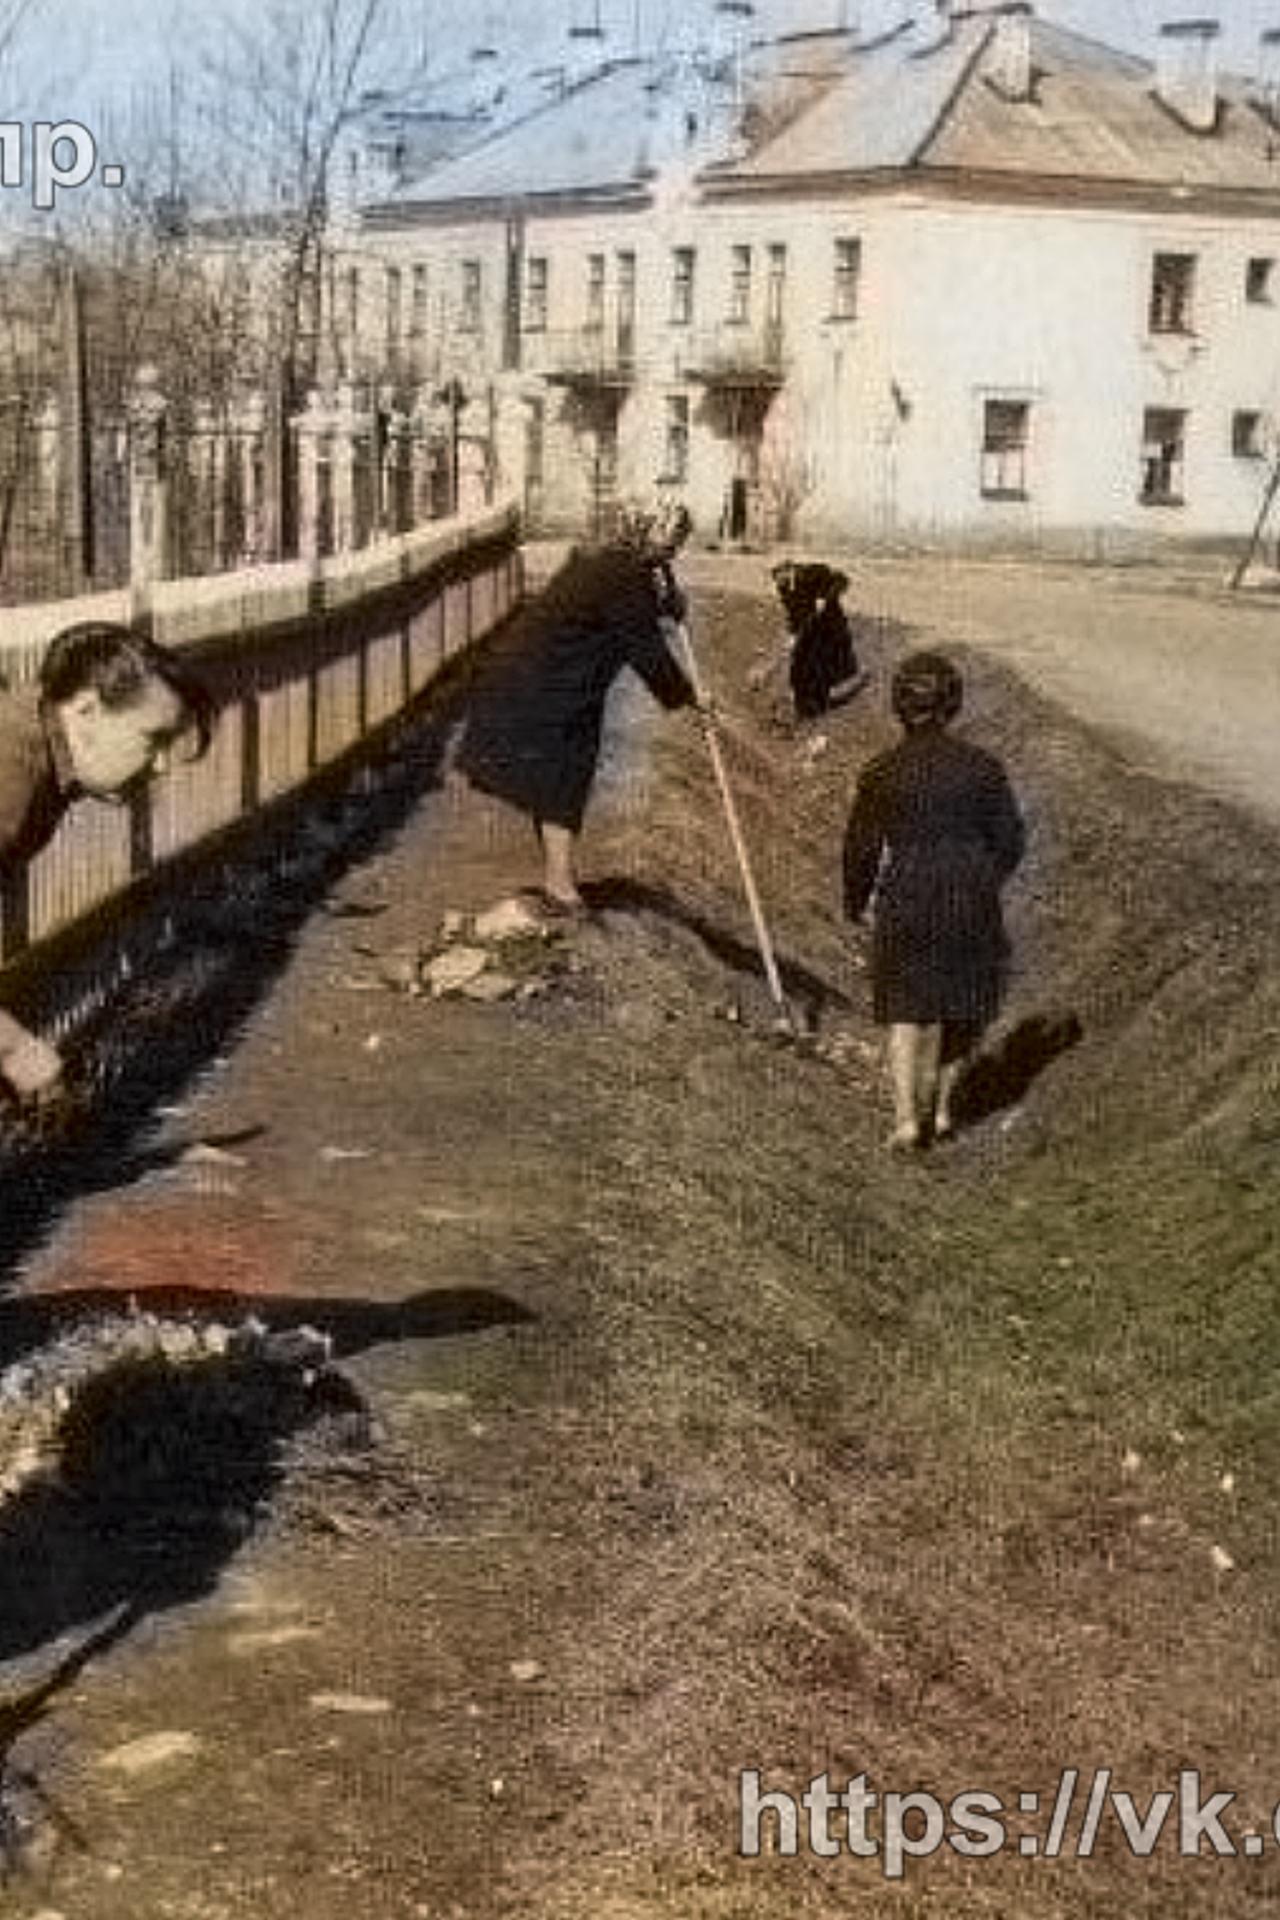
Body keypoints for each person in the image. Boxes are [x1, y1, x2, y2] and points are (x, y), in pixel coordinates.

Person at [0, 619, 216, 1104]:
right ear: (86, 709)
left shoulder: (31, 745)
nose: (161, 764)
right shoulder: (11, 769)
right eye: (154, 738)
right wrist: (13, 1050)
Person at [456, 496, 705, 914]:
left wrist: (665, 604)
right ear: (649, 532)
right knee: (562, 779)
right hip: (544, 686)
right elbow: (646, 650)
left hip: (543, 681)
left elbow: (629, 610)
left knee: (559, 780)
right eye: (671, 543)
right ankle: (560, 887)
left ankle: (560, 881)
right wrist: (693, 698)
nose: (674, 553)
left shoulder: (610, 561)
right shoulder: (624, 574)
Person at [842, 651, 1024, 1150]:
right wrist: (984, 880)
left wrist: (855, 903)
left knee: (905, 1010)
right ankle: (942, 1112)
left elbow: (860, 849)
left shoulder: (881, 772)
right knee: (960, 1005)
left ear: (900, 706)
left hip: (908, 891)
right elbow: (1010, 840)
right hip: (970, 891)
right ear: (954, 704)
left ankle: (905, 1119)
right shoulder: (984, 769)